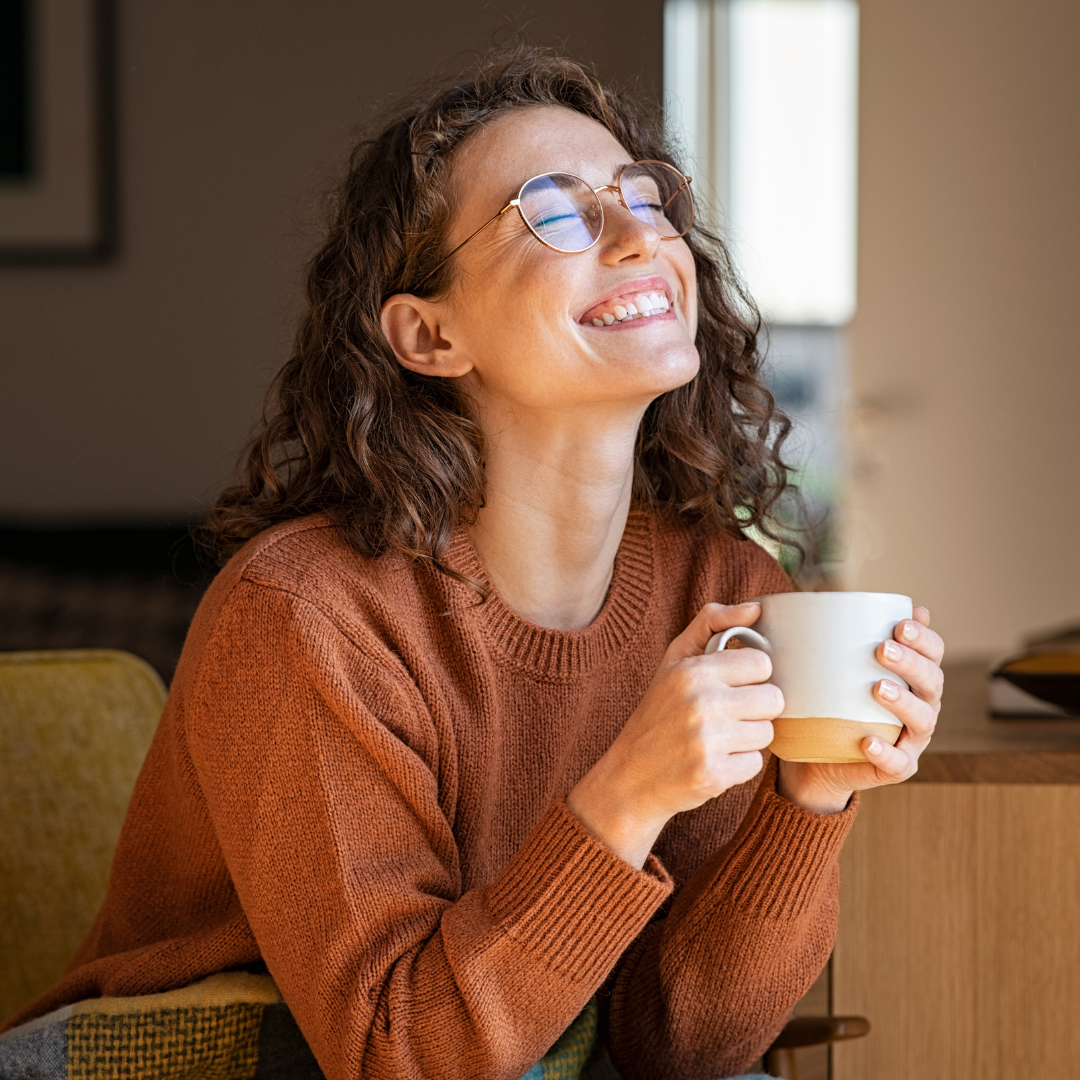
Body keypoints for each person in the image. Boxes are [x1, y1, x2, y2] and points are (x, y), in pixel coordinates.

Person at [4, 49, 944, 1080]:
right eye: (555, 211)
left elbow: (678, 1052)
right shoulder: (306, 616)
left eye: (646, 195)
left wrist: (807, 801)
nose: (640, 236)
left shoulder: (723, 594)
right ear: (428, 333)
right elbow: (392, 1054)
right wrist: (625, 795)